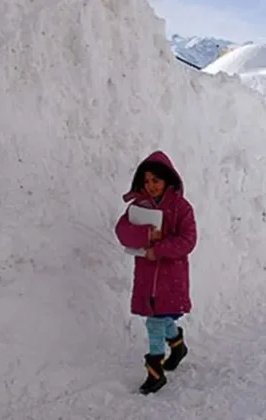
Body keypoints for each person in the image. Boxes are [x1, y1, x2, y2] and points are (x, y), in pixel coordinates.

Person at [115, 151, 197, 394]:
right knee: (160, 318)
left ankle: (155, 372)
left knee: (155, 321)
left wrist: (159, 249)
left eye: (156, 181)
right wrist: (148, 235)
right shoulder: (137, 207)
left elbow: (188, 241)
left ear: (167, 181)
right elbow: (122, 232)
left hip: (171, 277)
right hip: (147, 276)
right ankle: (178, 344)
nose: (150, 186)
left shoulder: (182, 208)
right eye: (147, 181)